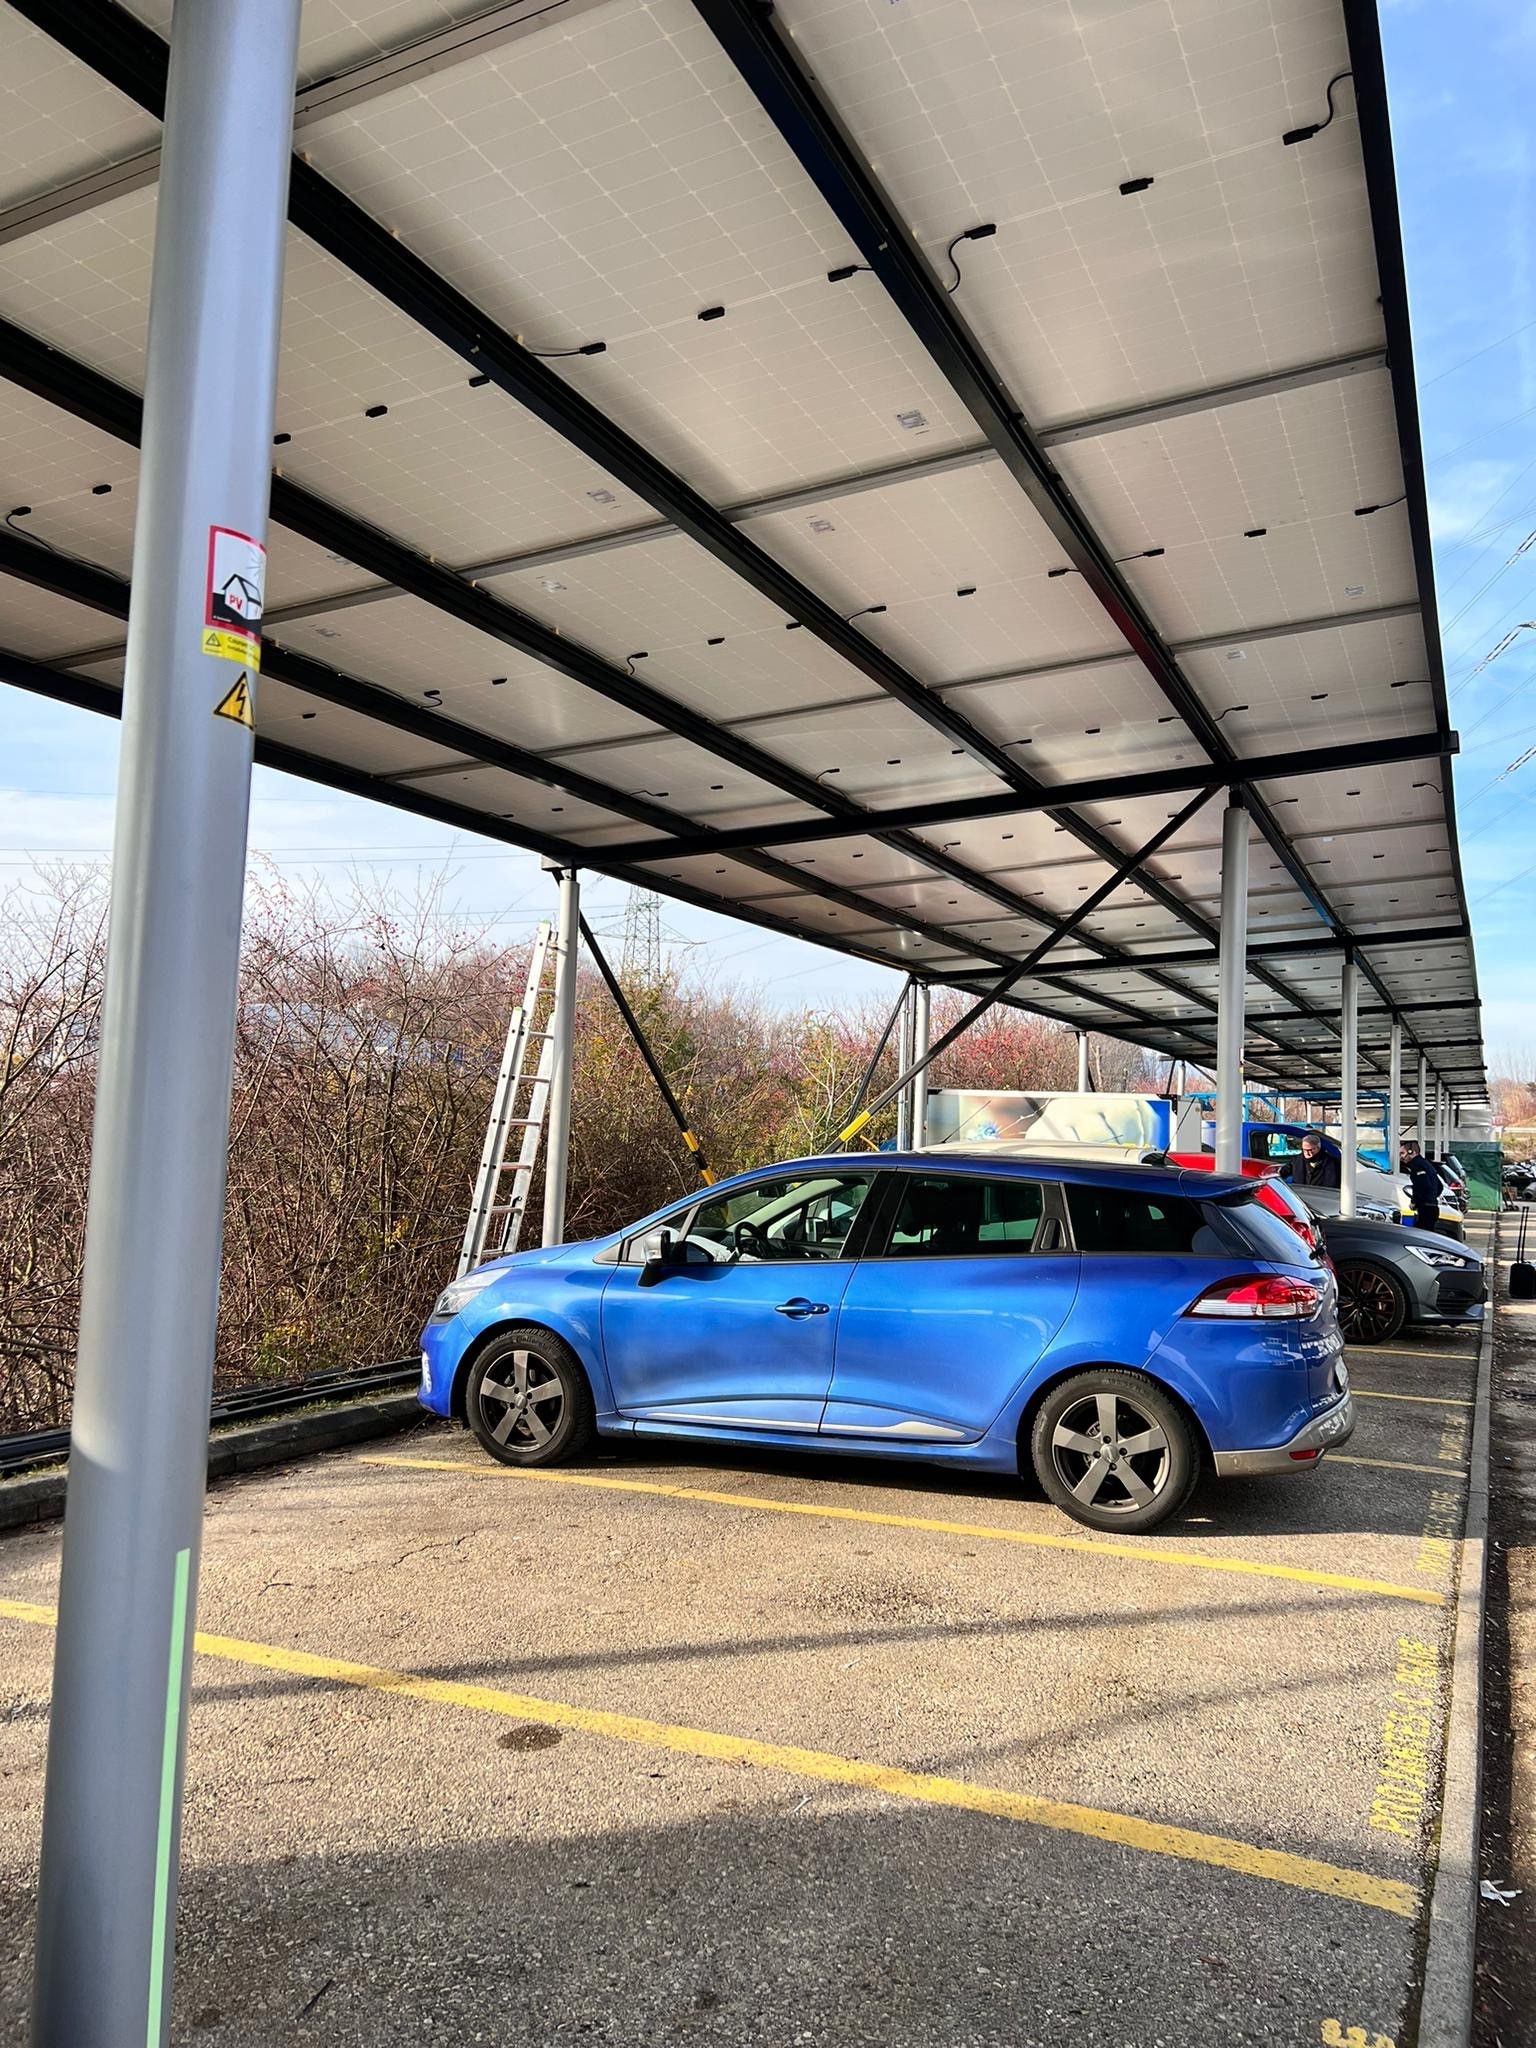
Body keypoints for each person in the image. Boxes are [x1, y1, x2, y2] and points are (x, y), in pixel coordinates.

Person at [1401, 1141, 1442, 1231]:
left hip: (1425, 1209)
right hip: (1433, 1207)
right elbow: (1440, 1186)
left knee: (1421, 1236)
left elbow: (1421, 1186)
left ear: (1412, 1152)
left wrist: (1414, 1202)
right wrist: (1431, 1197)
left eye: (1402, 1153)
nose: (1401, 1157)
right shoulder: (1426, 1164)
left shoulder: (1417, 1166)